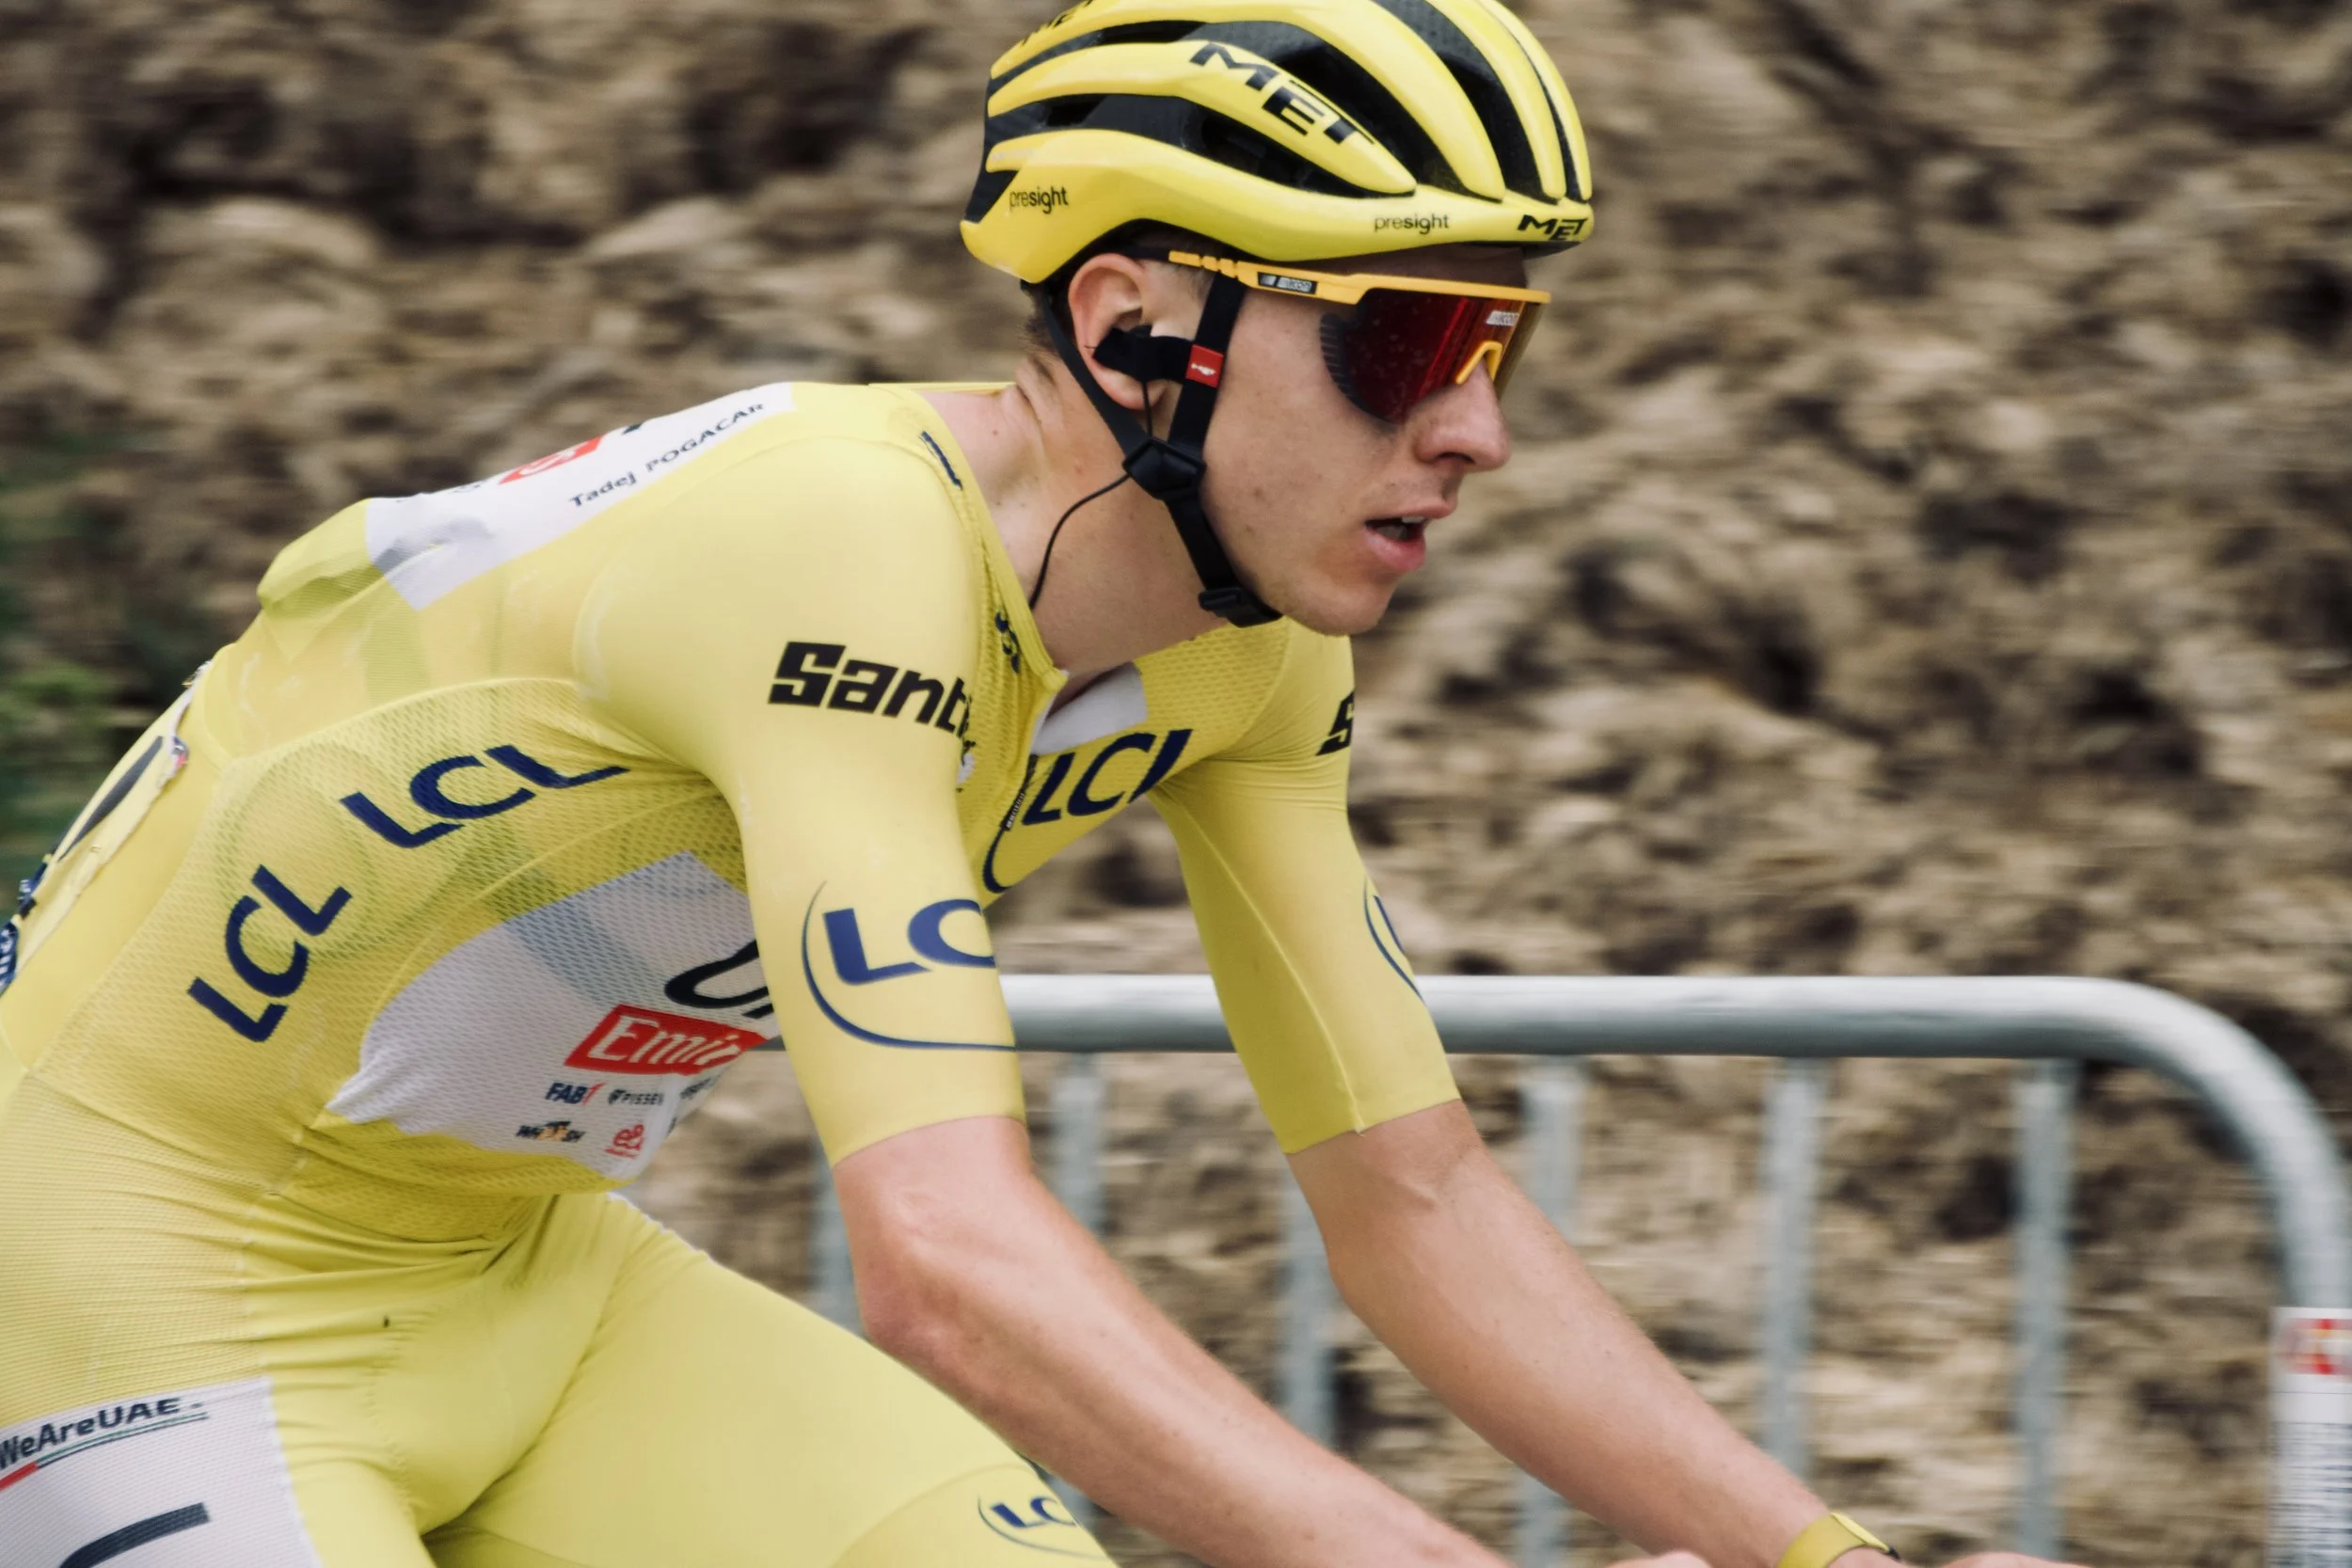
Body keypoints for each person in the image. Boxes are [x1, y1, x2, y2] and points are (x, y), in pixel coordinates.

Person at [0, 3, 2088, 1566]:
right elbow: (944, 1256)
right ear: (1133, 321)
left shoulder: (1253, 654)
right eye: (1407, 340)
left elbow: (1414, 1196)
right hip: (118, 1292)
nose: (1476, 431)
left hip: (526, 1283)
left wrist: (1823, 1557)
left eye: (1500, 347)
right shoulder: (834, 542)